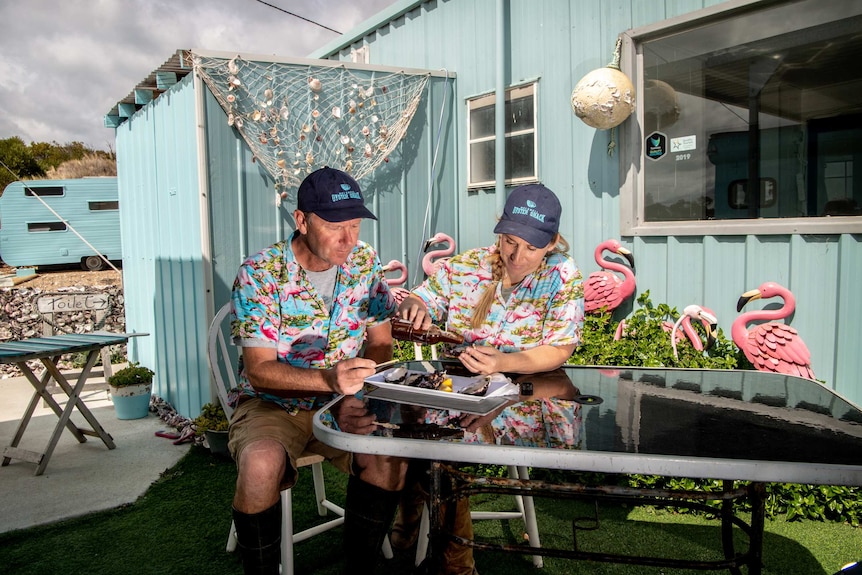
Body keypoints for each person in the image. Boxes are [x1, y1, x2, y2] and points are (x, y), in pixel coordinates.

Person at [395, 183, 584, 574]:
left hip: (527, 394)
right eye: (510, 242)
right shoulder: (467, 265)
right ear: (499, 231)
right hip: (456, 388)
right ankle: (416, 528)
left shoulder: (562, 276)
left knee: (444, 450)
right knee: (420, 430)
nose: (516, 256)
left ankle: (450, 560)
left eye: (531, 248)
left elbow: (560, 348)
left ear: (551, 244)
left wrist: (504, 361)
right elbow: (424, 297)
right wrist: (415, 304)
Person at [228, 166, 407, 575]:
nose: (349, 240)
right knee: (260, 466)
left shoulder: (364, 262)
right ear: (302, 220)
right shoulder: (259, 273)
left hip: (345, 401)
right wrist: (329, 380)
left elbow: (380, 342)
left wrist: (352, 394)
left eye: (356, 225)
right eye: (335, 226)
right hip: (272, 406)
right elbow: (259, 372)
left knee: (389, 459)